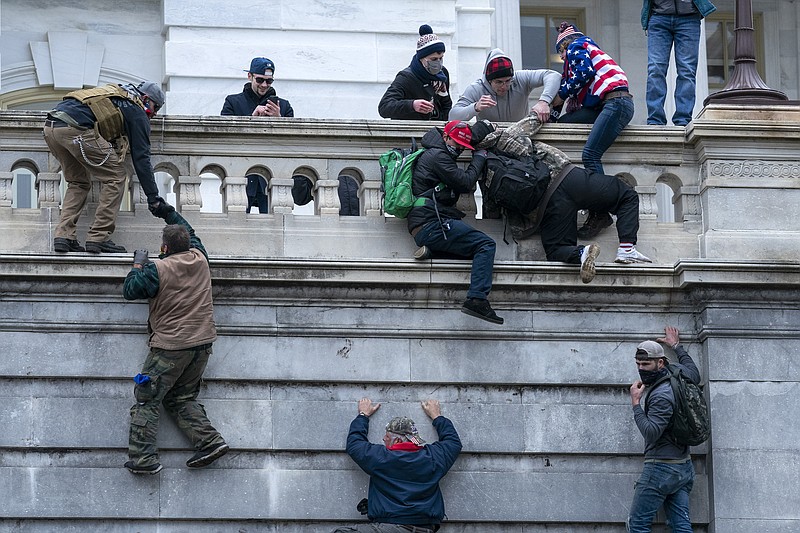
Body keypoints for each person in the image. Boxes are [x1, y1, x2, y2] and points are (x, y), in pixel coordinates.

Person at [471, 117, 652, 284]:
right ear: (490, 130)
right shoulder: (506, 136)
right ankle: (627, 249)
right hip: (567, 178)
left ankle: (582, 253)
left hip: (547, 205)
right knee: (626, 195)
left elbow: (493, 208)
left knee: (556, 250)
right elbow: (535, 120)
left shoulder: (482, 165)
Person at [122, 200, 228, 474]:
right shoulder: (201, 257)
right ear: (187, 244)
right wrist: (168, 211)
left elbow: (131, 290)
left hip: (170, 347)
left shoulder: (157, 269)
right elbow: (190, 231)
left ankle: (143, 460)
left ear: (164, 248)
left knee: (147, 398)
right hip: (203, 344)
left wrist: (137, 264)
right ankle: (210, 441)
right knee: (180, 398)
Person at [44, 81, 167, 254]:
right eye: (156, 107)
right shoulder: (137, 110)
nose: (154, 114)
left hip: (51, 128)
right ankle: (98, 238)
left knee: (78, 182)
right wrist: (153, 197)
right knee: (116, 177)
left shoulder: (113, 93)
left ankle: (64, 236)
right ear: (146, 99)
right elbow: (142, 158)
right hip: (76, 129)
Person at [409, 120, 502, 325]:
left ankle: (433, 251)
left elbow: (469, 135)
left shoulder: (437, 151)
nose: (459, 149)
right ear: (445, 137)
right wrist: (478, 157)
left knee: (469, 247)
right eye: (456, 144)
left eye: (463, 147)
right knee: (485, 245)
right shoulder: (438, 156)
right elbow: (466, 182)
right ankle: (477, 299)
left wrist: (487, 126)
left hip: (427, 226)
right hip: (432, 224)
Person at [552, 22, 634, 240]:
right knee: (565, 123)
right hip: (606, 105)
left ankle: (600, 211)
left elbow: (582, 74)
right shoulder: (587, 49)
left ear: (564, 45)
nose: (561, 57)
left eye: (560, 51)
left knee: (590, 154)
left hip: (616, 103)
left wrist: (560, 96)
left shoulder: (576, 46)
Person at [333, 397, 462, 532]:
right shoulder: (433, 457)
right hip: (426, 528)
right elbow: (453, 443)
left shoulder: (380, 457)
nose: (383, 438)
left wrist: (363, 415)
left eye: (387, 436)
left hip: (394, 528)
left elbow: (354, 444)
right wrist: (437, 416)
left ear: (398, 440)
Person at [627, 326, 701, 532]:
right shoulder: (678, 373)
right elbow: (694, 372)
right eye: (638, 364)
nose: (641, 368)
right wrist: (676, 346)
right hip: (683, 467)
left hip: (660, 467)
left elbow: (651, 432)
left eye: (646, 364)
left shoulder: (661, 394)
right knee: (681, 526)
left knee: (637, 524)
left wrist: (635, 404)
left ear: (660, 362)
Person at [642, 0, 717, 126]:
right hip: (658, 17)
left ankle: (683, 120)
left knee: (687, 71)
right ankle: (655, 120)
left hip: (689, 19)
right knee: (655, 69)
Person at [449, 48, 561, 124]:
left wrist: (544, 101)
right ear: (489, 80)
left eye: (508, 81)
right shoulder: (477, 89)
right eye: (498, 82)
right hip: (490, 140)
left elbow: (553, 75)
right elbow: (452, 117)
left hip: (520, 136)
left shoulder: (520, 78)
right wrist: (475, 107)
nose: (504, 86)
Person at [378, 25, 452, 120]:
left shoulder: (442, 74)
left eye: (441, 58)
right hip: (410, 131)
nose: (438, 62)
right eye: (433, 59)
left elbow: (446, 104)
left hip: (435, 130)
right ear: (422, 58)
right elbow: (384, 107)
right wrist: (412, 105)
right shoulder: (406, 77)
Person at [220, 57, 294, 117]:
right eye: (259, 80)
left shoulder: (285, 106)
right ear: (250, 76)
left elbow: (292, 133)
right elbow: (225, 132)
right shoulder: (233, 103)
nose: (264, 85)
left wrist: (279, 120)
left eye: (269, 81)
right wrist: (252, 118)